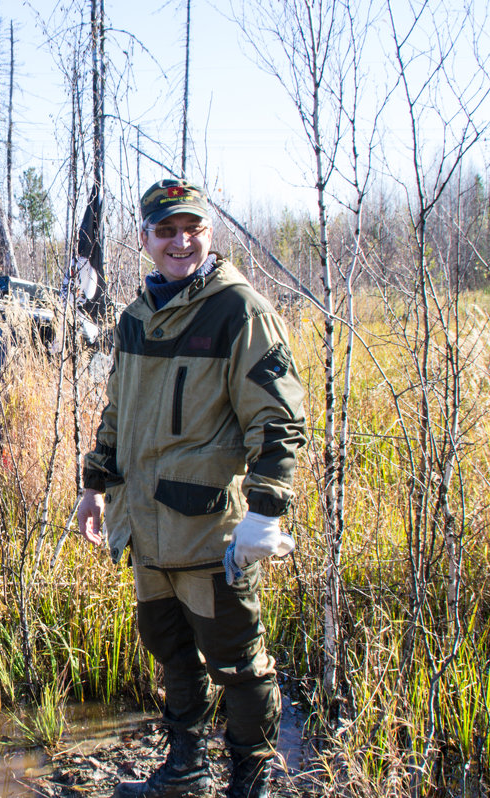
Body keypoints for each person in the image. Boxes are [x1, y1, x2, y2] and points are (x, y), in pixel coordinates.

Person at [76, 179, 307, 798]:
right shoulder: (133, 319)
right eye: (166, 230)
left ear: (208, 232)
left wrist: (266, 514)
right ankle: (185, 771)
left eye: (192, 228)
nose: (181, 241)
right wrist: (94, 486)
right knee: (171, 652)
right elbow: (117, 412)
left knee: (237, 662)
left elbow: (278, 420)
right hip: (146, 529)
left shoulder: (238, 310)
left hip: (210, 532)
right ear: (144, 239)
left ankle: (249, 783)